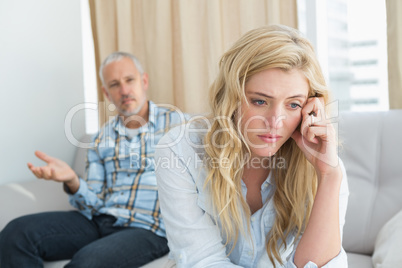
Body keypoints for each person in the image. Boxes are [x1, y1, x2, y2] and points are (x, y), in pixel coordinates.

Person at [154, 24, 349, 268]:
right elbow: (203, 261)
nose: (274, 122)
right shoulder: (180, 151)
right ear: (231, 98)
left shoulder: (326, 168)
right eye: (259, 101)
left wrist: (329, 176)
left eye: (293, 105)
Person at [0, 52, 188, 268]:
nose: (125, 91)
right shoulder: (101, 138)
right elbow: (95, 201)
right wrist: (72, 180)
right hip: (100, 220)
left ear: (143, 81)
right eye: (115, 84)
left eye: (129, 80)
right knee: (16, 233)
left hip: (148, 228)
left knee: (86, 263)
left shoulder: (178, 126)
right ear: (106, 93)